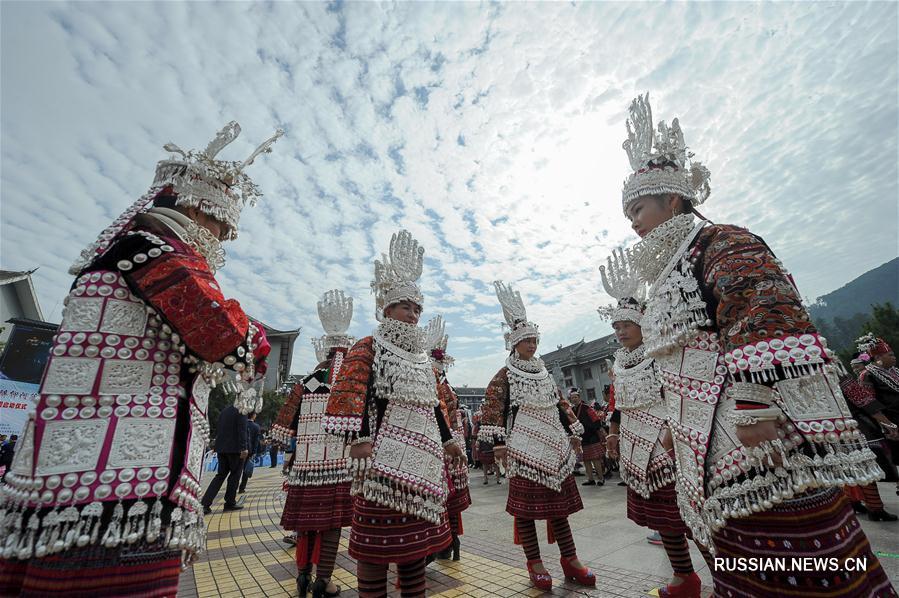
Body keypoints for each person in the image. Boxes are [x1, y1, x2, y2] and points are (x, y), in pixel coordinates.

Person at [616, 93, 891, 596]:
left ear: (672, 200)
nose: (632, 223)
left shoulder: (721, 241)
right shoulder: (667, 274)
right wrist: (677, 427)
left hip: (750, 431)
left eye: (639, 208)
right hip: (703, 443)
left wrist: (753, 404)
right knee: (739, 558)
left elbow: (764, 310)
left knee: (799, 552)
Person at [0, 121, 277, 596]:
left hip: (84, 478)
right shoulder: (153, 250)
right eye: (219, 224)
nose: (222, 238)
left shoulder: (123, 250)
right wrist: (255, 337)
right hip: (117, 484)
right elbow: (226, 338)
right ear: (193, 207)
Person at [322, 230, 464, 598]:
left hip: (425, 459)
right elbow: (351, 392)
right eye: (406, 308)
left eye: (417, 309)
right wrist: (358, 439)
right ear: (387, 309)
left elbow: (434, 405)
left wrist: (448, 441)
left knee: (416, 546)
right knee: (375, 545)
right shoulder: (369, 346)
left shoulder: (422, 360)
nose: (414, 315)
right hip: (381, 460)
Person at [599, 254, 707, 597]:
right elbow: (617, 402)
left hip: (669, 441)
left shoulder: (662, 351)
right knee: (665, 521)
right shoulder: (619, 363)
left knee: (694, 515)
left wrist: (672, 430)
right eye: (616, 327)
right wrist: (614, 432)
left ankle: (729, 578)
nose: (620, 332)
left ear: (643, 322)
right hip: (635, 443)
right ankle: (683, 576)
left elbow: (681, 393)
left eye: (625, 325)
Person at [480, 281, 595, 591]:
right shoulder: (504, 375)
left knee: (559, 509)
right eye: (526, 340)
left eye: (534, 339)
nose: (531, 344)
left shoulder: (544, 372)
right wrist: (500, 443)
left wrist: (573, 430)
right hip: (523, 450)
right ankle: (535, 562)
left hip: (554, 447)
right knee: (527, 512)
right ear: (514, 343)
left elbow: (559, 403)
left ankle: (570, 559)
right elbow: (493, 408)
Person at [276, 289, 356, 598]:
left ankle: (302, 576)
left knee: (307, 524)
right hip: (337, 465)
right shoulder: (348, 378)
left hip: (305, 466)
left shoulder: (309, 380)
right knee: (332, 524)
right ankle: (324, 579)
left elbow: (286, 424)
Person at [426, 316, 471, 561]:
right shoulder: (446, 385)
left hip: (441, 442)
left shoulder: (435, 382)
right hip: (451, 441)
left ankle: (444, 543)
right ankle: (451, 542)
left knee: (442, 496)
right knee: (450, 498)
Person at [838, 353, 897, 520]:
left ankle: (854, 502)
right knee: (865, 466)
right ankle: (875, 508)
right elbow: (863, 399)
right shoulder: (837, 374)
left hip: (829, 430)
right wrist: (886, 422)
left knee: (851, 467)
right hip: (853, 426)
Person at [858, 334, 899, 498]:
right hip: (889, 421)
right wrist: (886, 424)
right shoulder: (867, 375)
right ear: (878, 357)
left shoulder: (895, 372)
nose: (894, 357)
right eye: (890, 355)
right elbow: (869, 403)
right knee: (895, 456)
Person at [568, 389, 606, 486]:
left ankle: (601, 479)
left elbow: (596, 420)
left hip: (591, 436)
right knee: (586, 460)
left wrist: (591, 429)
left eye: (576, 397)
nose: (574, 399)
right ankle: (590, 479)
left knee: (595, 459)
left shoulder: (587, 408)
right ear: (570, 400)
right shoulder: (571, 410)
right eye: (572, 398)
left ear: (579, 398)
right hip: (581, 438)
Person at [238, 412, 261, 494]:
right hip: (249, 451)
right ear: (253, 415)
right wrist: (255, 452)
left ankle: (233, 487)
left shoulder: (241, 423)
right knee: (246, 470)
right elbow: (256, 441)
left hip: (239, 450)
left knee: (237, 470)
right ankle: (242, 488)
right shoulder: (256, 427)